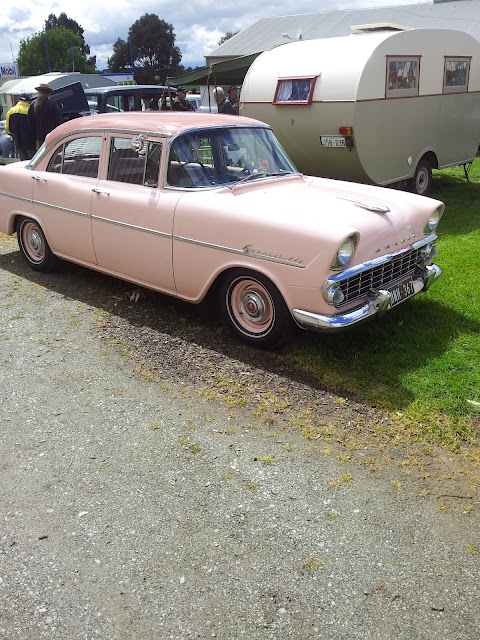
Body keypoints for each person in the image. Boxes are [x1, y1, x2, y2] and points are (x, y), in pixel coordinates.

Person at [28, 83, 63, 149]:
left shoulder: (33, 105)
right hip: (51, 136)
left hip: (39, 137)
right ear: (48, 93)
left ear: (39, 92)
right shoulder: (52, 105)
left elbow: (30, 123)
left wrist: (35, 135)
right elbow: (59, 121)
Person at [5, 93, 36, 161]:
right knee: (33, 162)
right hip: (30, 143)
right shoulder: (30, 110)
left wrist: (15, 135)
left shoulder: (11, 111)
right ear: (28, 101)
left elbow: (7, 128)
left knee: (23, 163)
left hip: (18, 143)